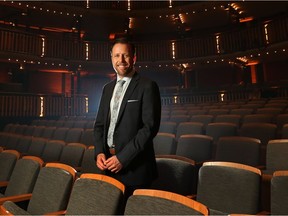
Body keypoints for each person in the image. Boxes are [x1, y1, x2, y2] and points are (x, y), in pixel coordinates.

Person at [94, 37, 162, 202]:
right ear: (111, 58)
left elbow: (149, 128)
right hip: (109, 167)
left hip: (136, 169)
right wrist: (99, 152)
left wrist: (122, 158)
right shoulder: (107, 89)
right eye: (117, 56)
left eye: (125, 55)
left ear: (134, 58)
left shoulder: (147, 86)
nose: (121, 60)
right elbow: (99, 126)